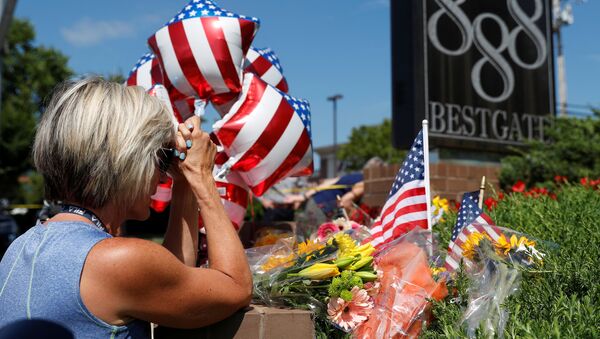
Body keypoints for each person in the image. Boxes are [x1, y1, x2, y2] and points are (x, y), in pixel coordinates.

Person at [0, 78, 252, 338]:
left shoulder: (20, 247)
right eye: (160, 157)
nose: (162, 175)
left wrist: (184, 183)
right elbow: (236, 287)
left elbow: (170, 279)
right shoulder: (117, 261)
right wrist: (202, 176)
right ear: (130, 159)